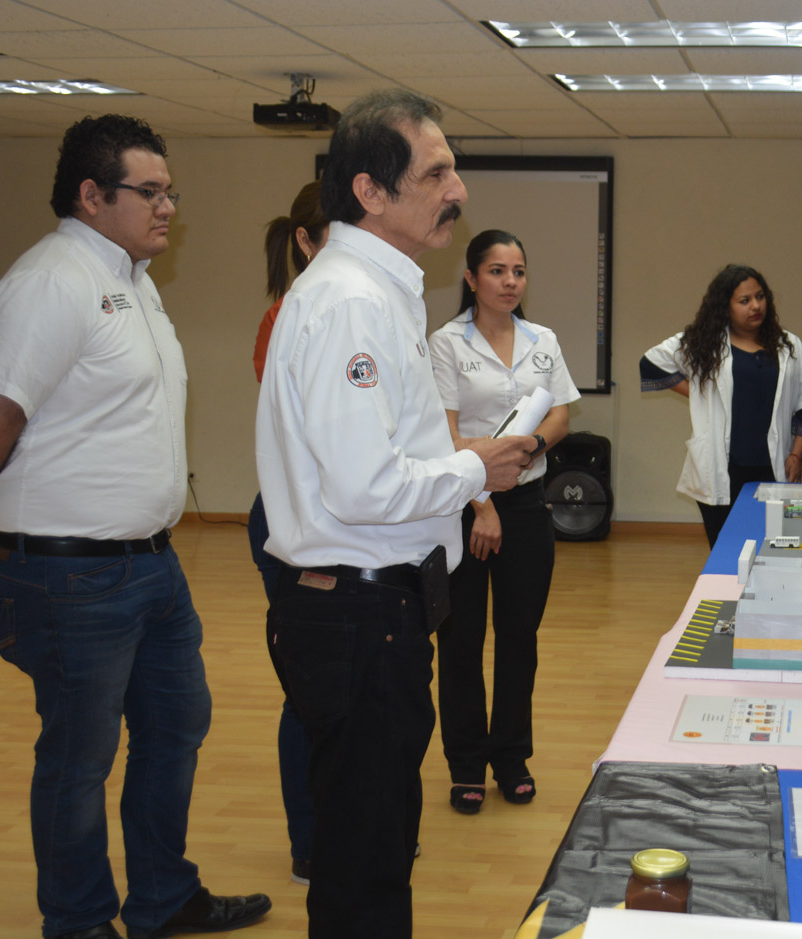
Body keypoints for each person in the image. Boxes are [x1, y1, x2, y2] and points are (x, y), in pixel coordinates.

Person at [0, 114, 270, 939]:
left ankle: (162, 897)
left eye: (170, 191)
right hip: (67, 575)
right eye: (149, 192)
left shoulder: (131, 277)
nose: (168, 207)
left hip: (150, 568)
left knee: (175, 729)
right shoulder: (50, 280)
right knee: (79, 759)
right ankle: (80, 921)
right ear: (91, 196)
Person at [255, 89, 532, 938]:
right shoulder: (350, 303)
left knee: (376, 842)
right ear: (371, 191)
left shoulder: (380, 292)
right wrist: (472, 465)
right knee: (366, 854)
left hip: (380, 602)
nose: (459, 191)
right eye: (438, 172)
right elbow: (365, 488)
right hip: (357, 609)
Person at [427, 229, 580, 814]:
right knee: (461, 643)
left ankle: (511, 758)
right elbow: (443, 432)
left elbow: (562, 410)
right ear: (470, 278)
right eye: (496, 271)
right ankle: (465, 764)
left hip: (526, 505)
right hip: (464, 507)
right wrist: (482, 504)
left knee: (520, 640)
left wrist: (534, 444)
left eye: (518, 271)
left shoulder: (543, 340)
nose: (509, 281)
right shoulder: (445, 343)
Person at [250, 179, 328, 885]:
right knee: (307, 692)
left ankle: (348, 829)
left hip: (326, 515)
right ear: (305, 242)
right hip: (293, 519)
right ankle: (310, 845)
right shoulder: (292, 317)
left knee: (346, 690)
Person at [641, 265, 802, 546]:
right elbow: (651, 363)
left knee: (776, 547)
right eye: (744, 301)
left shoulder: (790, 347)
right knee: (726, 552)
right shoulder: (706, 344)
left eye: (760, 297)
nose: (755, 306)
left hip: (774, 467)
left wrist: (797, 456)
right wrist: (702, 396)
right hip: (722, 468)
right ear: (725, 307)